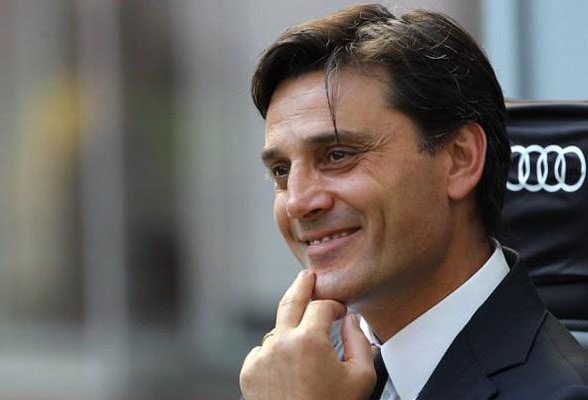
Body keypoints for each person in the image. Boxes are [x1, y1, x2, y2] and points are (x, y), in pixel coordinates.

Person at [239, 3, 588, 400]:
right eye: (281, 171)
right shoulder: (294, 372)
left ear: (460, 160)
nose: (298, 203)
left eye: (337, 155)